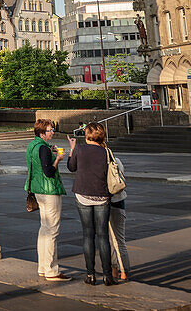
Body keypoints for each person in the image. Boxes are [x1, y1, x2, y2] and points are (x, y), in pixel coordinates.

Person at [67, 122, 117, 286]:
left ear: (87, 134)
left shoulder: (80, 149)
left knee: (88, 234)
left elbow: (71, 167)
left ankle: (90, 275)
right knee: (103, 236)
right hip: (102, 196)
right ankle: (108, 276)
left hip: (83, 195)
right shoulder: (106, 151)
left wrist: (71, 151)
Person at [24, 119, 70, 282]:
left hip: (37, 190)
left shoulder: (33, 145)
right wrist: (58, 158)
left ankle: (43, 267)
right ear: (42, 133)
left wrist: (50, 152)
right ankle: (51, 270)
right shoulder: (43, 148)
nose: (52, 132)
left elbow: (37, 163)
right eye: (50, 130)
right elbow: (49, 171)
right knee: (52, 231)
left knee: (44, 229)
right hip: (49, 191)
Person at [108, 152, 130, 282]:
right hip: (118, 202)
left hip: (105, 203)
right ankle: (123, 270)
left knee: (111, 240)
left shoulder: (99, 161)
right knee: (118, 240)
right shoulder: (116, 160)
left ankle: (116, 269)